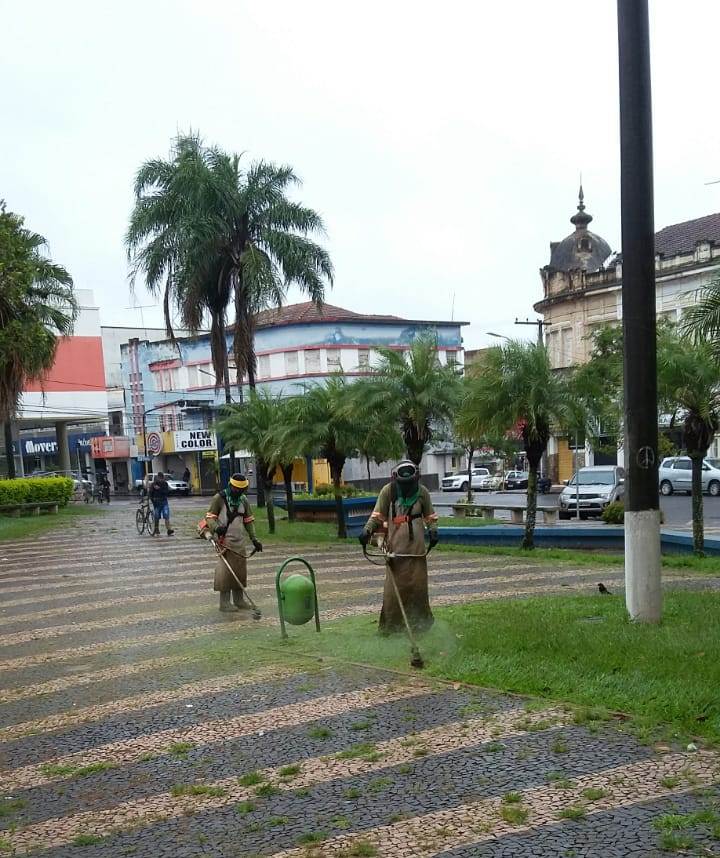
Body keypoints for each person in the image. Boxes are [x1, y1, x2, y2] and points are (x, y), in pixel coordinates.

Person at [359, 460, 439, 635]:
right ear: (396, 479)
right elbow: (377, 516)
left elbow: (430, 517)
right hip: (395, 551)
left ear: (416, 478)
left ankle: (420, 626)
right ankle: (391, 628)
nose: (407, 486)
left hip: (416, 551)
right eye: (403, 483)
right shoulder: (389, 491)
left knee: (417, 589)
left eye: (410, 482)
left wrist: (433, 532)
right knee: (393, 594)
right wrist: (367, 531)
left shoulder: (422, 493)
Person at [199, 473, 263, 612]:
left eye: (242, 489)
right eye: (236, 489)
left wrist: (254, 539)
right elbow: (209, 518)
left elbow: (248, 521)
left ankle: (239, 600)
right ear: (231, 486)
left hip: (239, 542)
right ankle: (224, 602)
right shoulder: (219, 499)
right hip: (224, 541)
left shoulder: (244, 500)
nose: (239, 492)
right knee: (225, 572)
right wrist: (216, 528)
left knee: (240, 572)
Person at [149, 472, 174, 536]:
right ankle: (156, 529)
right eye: (160, 478)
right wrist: (153, 501)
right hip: (156, 502)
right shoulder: (153, 484)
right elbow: (151, 493)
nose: (161, 479)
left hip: (164, 501)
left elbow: (166, 492)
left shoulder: (165, 484)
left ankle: (169, 529)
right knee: (157, 516)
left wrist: (159, 489)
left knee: (166, 515)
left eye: (161, 478)